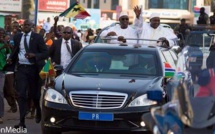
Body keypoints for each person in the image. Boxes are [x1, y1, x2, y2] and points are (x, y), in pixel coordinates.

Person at [7, 20, 48, 128]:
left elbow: (45, 53)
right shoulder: (17, 37)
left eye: (28, 25)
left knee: (34, 95)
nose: (26, 26)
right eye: (24, 25)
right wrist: (11, 59)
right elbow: (15, 51)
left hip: (34, 69)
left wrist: (34, 55)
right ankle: (22, 122)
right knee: (21, 94)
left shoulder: (38, 37)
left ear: (32, 27)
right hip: (21, 69)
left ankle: (38, 110)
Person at [0, 28, 11, 124]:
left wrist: (8, 48)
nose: (1, 36)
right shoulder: (3, 45)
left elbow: (9, 56)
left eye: (2, 35)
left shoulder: (5, 45)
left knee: (0, 92)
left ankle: (0, 115)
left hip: (2, 71)